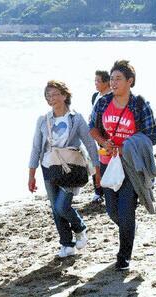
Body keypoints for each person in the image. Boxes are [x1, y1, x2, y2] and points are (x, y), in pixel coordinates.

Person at [89, 60, 156, 270]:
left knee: (126, 210)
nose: (113, 82)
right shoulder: (102, 102)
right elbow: (92, 127)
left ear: (130, 81)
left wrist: (128, 144)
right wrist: (104, 142)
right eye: (111, 78)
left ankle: (123, 255)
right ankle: (129, 229)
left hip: (130, 164)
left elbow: (152, 136)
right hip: (109, 163)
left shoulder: (139, 104)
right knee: (112, 211)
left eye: (118, 78)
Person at [28, 80, 101, 258]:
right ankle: (67, 245)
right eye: (48, 95)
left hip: (71, 167)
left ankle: (80, 227)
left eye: (54, 94)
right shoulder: (42, 120)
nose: (51, 98)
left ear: (64, 95)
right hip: (48, 167)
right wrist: (31, 174)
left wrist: (98, 170)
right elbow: (36, 148)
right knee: (55, 208)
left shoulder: (76, 118)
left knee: (62, 206)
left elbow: (90, 144)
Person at [90, 70, 111, 203]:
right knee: (95, 162)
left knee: (108, 163)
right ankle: (98, 192)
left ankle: (106, 191)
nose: (96, 83)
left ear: (106, 82)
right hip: (95, 133)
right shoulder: (95, 96)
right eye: (95, 80)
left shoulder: (112, 96)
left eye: (98, 81)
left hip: (107, 135)